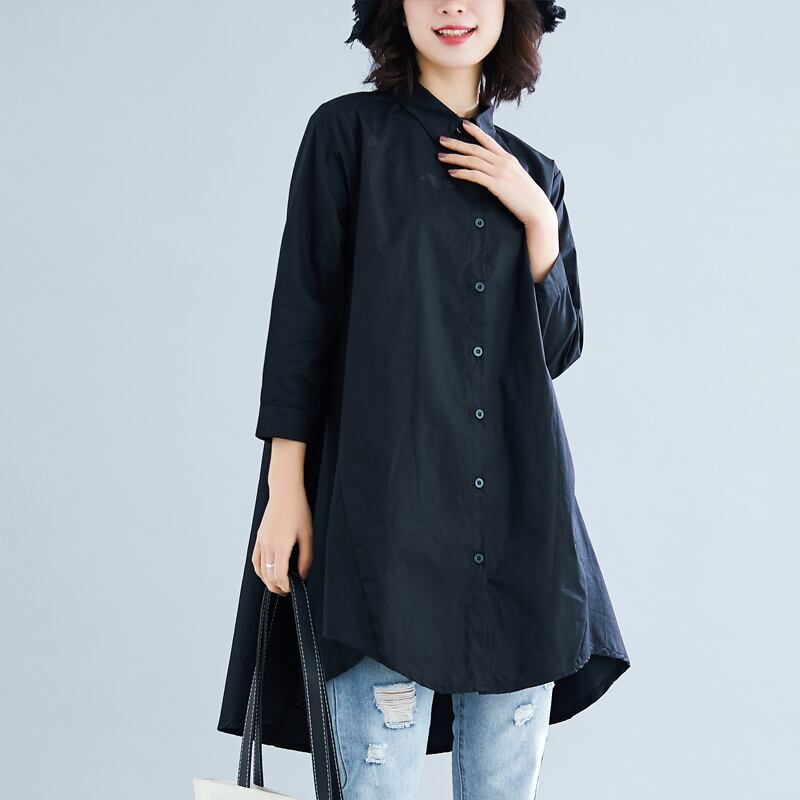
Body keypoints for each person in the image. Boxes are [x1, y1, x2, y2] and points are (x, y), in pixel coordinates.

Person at [217, 2, 631, 798]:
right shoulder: (347, 137)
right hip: (383, 531)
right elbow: (302, 321)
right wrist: (284, 489)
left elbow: (555, 350)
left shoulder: (536, 175)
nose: (452, 7)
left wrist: (537, 221)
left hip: (520, 538)